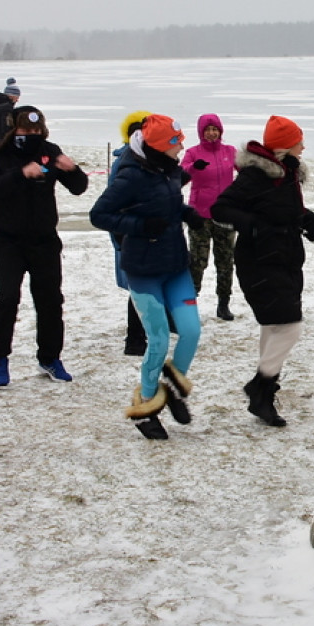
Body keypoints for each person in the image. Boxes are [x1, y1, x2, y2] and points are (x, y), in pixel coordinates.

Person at [90, 114, 203, 439]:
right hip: (143, 271)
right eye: (176, 141)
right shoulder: (130, 176)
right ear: (157, 147)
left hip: (175, 264)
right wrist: (139, 227)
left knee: (192, 332)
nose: (182, 145)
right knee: (159, 341)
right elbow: (98, 215)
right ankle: (146, 408)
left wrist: (187, 214)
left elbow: (168, 205)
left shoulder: (168, 170)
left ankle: (172, 390)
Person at [211, 115, 314, 427]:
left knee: (274, 327)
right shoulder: (257, 175)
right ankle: (260, 385)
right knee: (290, 327)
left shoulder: (286, 174)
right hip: (259, 260)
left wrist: (306, 219)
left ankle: (264, 398)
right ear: (287, 145)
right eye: (300, 140)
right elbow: (221, 208)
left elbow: (279, 209)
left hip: (285, 259)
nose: (304, 146)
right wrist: (254, 227)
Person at [0, 105, 88, 386]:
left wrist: (73, 169)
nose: (32, 135)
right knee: (7, 300)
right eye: (26, 130)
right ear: (14, 129)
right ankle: (0, 357)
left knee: (50, 301)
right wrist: (20, 174)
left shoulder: (49, 151)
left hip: (44, 241)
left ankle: (50, 357)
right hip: (9, 241)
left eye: (37, 130)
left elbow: (78, 187)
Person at [181, 113, 238, 321]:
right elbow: (180, 176)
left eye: (215, 130)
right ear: (201, 132)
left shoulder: (230, 152)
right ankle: (189, 304)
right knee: (198, 262)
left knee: (225, 261)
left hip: (225, 215)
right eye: (208, 130)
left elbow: (247, 171)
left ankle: (224, 304)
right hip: (200, 215)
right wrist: (193, 168)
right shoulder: (193, 153)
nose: (212, 133)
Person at [111, 111, 152, 356]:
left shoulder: (150, 159)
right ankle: (134, 339)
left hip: (150, 232)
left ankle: (147, 332)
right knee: (139, 287)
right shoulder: (125, 161)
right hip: (132, 233)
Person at [0, 77, 20, 144]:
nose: (17, 100)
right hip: (5, 143)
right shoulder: (7, 108)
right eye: (17, 97)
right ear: (11, 96)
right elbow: (7, 127)